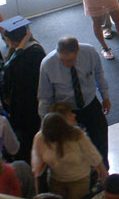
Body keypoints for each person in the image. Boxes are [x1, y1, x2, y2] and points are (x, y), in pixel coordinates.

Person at [37, 36, 111, 168]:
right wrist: (45, 123)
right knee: (73, 147)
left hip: (89, 103)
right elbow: (45, 97)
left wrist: (105, 97)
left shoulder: (89, 52)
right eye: (62, 60)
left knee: (100, 137)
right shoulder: (47, 64)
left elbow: (99, 75)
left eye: (70, 60)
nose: (66, 64)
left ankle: (104, 169)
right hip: (66, 111)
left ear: (77, 51)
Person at [31, 112, 108, 199]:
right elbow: (36, 169)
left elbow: (93, 155)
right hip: (56, 180)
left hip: (79, 180)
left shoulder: (77, 135)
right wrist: (37, 192)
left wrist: (104, 175)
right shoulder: (40, 137)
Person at [0, 16, 46, 162]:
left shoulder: (33, 52)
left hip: (29, 100)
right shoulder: (27, 49)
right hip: (22, 97)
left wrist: (19, 49)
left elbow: (8, 70)